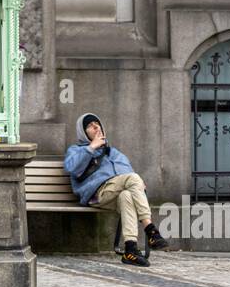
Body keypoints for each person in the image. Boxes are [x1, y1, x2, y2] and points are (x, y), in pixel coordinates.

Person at [63, 112, 168, 266]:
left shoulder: (114, 152)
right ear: (83, 133)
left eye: (97, 124)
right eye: (90, 126)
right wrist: (91, 148)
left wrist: (137, 184)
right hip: (97, 193)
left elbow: (129, 175)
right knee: (133, 179)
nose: (96, 126)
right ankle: (151, 230)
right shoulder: (76, 150)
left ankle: (130, 250)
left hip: (115, 194)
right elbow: (72, 168)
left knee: (127, 196)